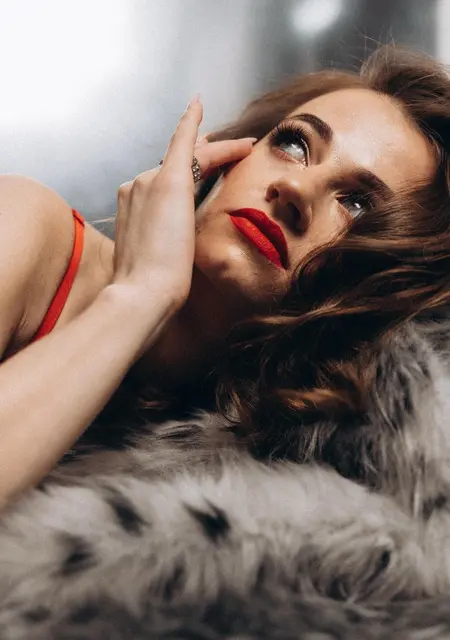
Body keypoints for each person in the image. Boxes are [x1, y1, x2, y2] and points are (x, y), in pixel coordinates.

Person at [0, 44, 448, 505]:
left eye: (356, 205)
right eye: (294, 145)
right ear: (224, 160)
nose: (295, 187)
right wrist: (138, 295)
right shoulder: (27, 225)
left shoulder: (270, 462)